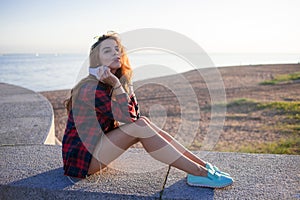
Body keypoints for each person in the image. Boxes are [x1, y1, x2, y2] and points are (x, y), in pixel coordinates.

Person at [62, 32, 233, 188]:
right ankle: (200, 173)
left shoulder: (109, 83)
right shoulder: (91, 89)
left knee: (144, 122)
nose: (116, 53)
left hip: (96, 149)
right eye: (107, 51)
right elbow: (130, 119)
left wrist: (124, 84)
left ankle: (203, 166)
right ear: (97, 61)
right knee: (140, 127)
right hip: (81, 161)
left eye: (117, 49)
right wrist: (117, 85)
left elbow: (136, 116)